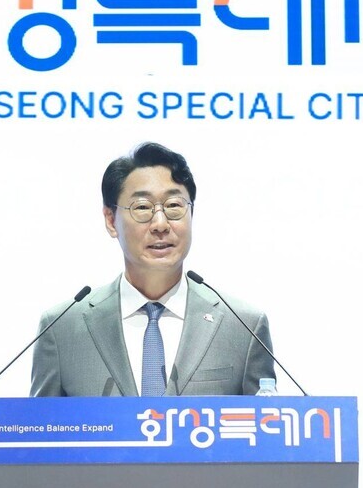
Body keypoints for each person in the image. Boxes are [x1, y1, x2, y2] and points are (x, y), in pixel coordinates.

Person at [29, 142, 275, 397]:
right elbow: (39, 423)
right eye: (143, 207)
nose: (160, 224)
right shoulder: (61, 330)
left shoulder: (244, 327)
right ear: (111, 220)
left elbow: (267, 420)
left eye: (174, 206)